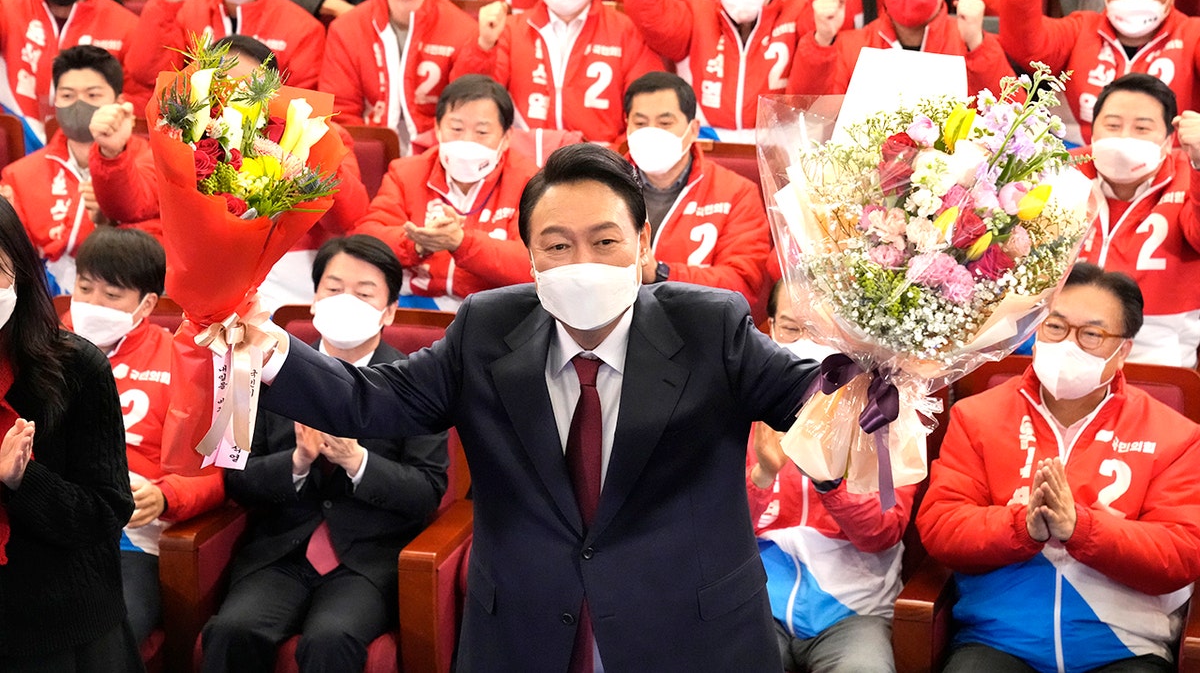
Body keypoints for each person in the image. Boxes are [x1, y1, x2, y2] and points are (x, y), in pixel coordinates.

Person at [253, 143, 819, 671]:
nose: (582, 263)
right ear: (529, 257)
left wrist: (883, 349)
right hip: (527, 631)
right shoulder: (485, 327)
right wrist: (268, 348)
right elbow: (372, 400)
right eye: (557, 245)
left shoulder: (709, 324)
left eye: (605, 242)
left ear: (644, 243)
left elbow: (814, 399)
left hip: (689, 632)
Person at [916, 262, 1200, 672]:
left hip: (1124, 646)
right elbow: (942, 527)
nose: (1069, 344)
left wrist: (1080, 529)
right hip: (997, 639)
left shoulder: (1175, 434)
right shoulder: (976, 416)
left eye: (1091, 334)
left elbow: (1182, 552)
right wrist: (1021, 527)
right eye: (1055, 327)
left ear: (1123, 352)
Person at [202, 235, 449, 672]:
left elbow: (427, 491)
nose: (345, 301)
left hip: (365, 563)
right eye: (333, 289)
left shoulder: (418, 382)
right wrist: (295, 463)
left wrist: (357, 462)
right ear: (313, 301)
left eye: (364, 292)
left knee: (330, 641)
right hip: (280, 553)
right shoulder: (259, 369)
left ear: (389, 310)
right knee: (231, 631)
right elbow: (235, 477)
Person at [62, 228, 226, 647]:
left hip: (131, 540)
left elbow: (214, 475)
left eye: (112, 296)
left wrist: (165, 495)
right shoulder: (40, 346)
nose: (93, 304)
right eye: (84, 288)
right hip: (46, 525)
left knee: (113, 635)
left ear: (147, 304)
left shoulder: (180, 362)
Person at [0, 197, 141, 670]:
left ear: (19, 270)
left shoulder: (76, 366)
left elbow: (107, 509)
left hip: (62, 626)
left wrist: (22, 481)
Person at [748, 279, 912, 673]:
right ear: (769, 328)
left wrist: (829, 482)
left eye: (820, 330)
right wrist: (763, 475)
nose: (805, 343)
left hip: (855, 612)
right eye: (791, 328)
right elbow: (710, 531)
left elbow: (883, 533)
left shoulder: (885, 409)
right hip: (757, 605)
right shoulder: (737, 403)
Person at [351, 74, 538, 311]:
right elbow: (366, 237)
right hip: (416, 311)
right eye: (456, 128)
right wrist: (417, 245)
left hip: (494, 314)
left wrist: (462, 243)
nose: (467, 141)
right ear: (438, 129)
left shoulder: (529, 181)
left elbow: (534, 263)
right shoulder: (407, 173)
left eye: (482, 132)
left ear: (507, 136)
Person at [215, 35, 371, 312]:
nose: (234, 93)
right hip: (217, 268)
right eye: (224, 83)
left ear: (275, 90)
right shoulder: (189, 134)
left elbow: (349, 218)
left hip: (294, 271)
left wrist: (317, 154)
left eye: (247, 85)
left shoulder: (316, 134)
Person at [0, 45, 162, 296]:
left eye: (93, 95)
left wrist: (110, 225)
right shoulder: (19, 175)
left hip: (126, 297)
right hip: (45, 305)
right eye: (67, 96)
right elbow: (16, 264)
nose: (79, 105)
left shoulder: (154, 161)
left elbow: (159, 246)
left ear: (119, 101)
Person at [1074, 73, 1200, 367]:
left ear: (1169, 141)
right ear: (1092, 133)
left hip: (1161, 355)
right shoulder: (1063, 173)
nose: (1124, 138)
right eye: (1113, 125)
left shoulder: (1188, 174)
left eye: (1142, 128)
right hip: (1069, 341)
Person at [622, 72, 772, 313]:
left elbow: (742, 287)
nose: (651, 133)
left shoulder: (737, 193)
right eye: (640, 123)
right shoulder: (601, 186)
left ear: (693, 129)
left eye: (665, 123)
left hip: (696, 329)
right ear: (626, 125)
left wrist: (661, 273)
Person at [455, 0, 665, 145]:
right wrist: (484, 45)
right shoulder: (509, 29)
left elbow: (649, 106)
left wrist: (614, 157)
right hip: (526, 165)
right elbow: (471, 102)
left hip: (599, 168)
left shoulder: (626, 31)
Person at [999, 0, 1200, 143]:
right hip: (1076, 164)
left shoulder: (1193, 34)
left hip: (1171, 173)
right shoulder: (1080, 28)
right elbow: (1025, 44)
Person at [623, 0, 818, 143]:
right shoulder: (695, 7)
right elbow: (650, 15)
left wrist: (824, 36)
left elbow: (817, 82)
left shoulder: (800, 7)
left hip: (780, 142)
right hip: (704, 141)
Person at [319, 0, 478, 155]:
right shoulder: (346, 29)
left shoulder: (466, 31)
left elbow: (468, 117)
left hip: (438, 162)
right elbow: (340, 116)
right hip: (370, 161)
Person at [122, 0, 326, 114]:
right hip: (193, 131)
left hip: (264, 138)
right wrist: (163, 6)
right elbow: (147, 75)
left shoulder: (302, 27)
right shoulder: (186, 11)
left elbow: (301, 108)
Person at [788, 0, 1013, 98]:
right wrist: (822, 40)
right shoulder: (851, 46)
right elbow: (808, 115)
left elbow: (1015, 117)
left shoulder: (969, 40)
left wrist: (977, 43)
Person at [0, 0, 137, 151]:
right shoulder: (7, 9)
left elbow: (137, 107)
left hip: (94, 154)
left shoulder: (126, 25)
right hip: (17, 151)